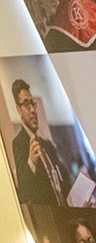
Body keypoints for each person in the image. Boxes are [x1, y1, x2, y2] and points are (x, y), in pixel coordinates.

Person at [9, 80, 66, 210]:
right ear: (19, 110)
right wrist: (32, 162)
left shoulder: (47, 145)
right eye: (26, 104)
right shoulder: (19, 143)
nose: (33, 110)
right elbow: (24, 191)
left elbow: (61, 178)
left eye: (33, 104)